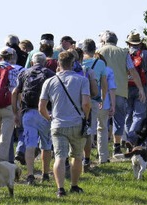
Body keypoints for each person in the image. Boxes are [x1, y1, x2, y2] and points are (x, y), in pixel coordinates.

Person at [39, 51, 91, 197]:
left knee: (60, 157)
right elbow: (86, 103)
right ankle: (74, 185)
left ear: (58, 64)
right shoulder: (82, 80)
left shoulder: (49, 81)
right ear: (73, 63)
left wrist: (49, 118)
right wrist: (85, 118)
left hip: (58, 124)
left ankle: (60, 189)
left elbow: (41, 107)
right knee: (77, 156)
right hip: (77, 122)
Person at [96, 30, 145, 155]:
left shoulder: (99, 52)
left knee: (103, 121)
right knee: (119, 119)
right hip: (120, 90)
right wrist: (140, 88)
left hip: (102, 90)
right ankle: (116, 146)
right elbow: (132, 71)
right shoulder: (123, 53)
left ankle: (102, 150)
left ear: (105, 41)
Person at [13, 52, 56, 185]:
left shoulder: (24, 73)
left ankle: (30, 175)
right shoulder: (50, 74)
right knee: (46, 145)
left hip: (28, 113)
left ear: (32, 62)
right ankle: (45, 173)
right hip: (45, 112)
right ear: (45, 62)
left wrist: (16, 112)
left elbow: (15, 92)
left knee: (30, 144)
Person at [125, 32, 147, 148]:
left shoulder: (125, 54)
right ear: (140, 43)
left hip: (126, 87)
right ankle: (131, 138)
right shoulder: (146, 54)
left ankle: (130, 141)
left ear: (128, 43)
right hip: (141, 87)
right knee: (139, 115)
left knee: (128, 115)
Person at [81, 39, 110, 165]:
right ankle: (103, 157)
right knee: (101, 128)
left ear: (83, 50)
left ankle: (83, 157)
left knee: (84, 127)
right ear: (95, 50)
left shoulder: (79, 62)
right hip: (95, 98)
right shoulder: (100, 63)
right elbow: (104, 84)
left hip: (81, 98)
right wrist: (103, 98)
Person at [0, 47, 17, 162]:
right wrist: (17, 109)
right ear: (11, 57)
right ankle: (1, 161)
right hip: (7, 106)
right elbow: (14, 90)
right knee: (5, 138)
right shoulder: (13, 70)